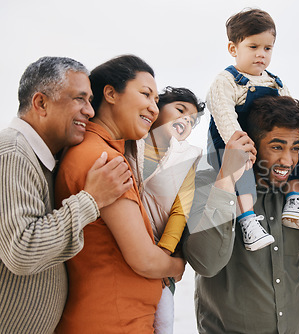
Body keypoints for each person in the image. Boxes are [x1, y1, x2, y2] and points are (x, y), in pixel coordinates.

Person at [183, 95, 299, 333]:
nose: (288, 160)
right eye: (276, 147)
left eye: (295, 148)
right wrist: (226, 179)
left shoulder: (298, 194)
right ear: (250, 144)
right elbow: (207, 263)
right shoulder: (205, 185)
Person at [0, 56, 132, 333]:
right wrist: (92, 199)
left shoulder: (47, 159)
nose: (90, 111)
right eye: (79, 99)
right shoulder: (13, 153)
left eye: (90, 100)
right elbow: (22, 251)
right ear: (40, 103)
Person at [54, 55, 186, 333]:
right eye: (145, 94)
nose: (154, 107)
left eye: (156, 99)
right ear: (111, 94)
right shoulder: (104, 161)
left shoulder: (100, 150)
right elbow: (144, 259)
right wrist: (178, 265)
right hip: (113, 321)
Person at [206, 8, 299, 252]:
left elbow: (298, 122)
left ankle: (295, 200)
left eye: (267, 48)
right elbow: (224, 114)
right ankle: (248, 220)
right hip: (232, 142)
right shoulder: (226, 81)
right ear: (233, 49)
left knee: (291, 154)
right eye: (253, 47)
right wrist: (241, 147)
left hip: (268, 142)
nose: (261, 55)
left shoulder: (275, 82)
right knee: (243, 175)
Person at [126, 86, 205, 334]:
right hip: (123, 236)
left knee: (161, 320)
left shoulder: (186, 160)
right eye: (180, 110)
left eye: (192, 120)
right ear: (157, 109)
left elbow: (181, 210)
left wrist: (165, 252)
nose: (185, 120)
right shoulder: (130, 142)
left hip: (161, 247)